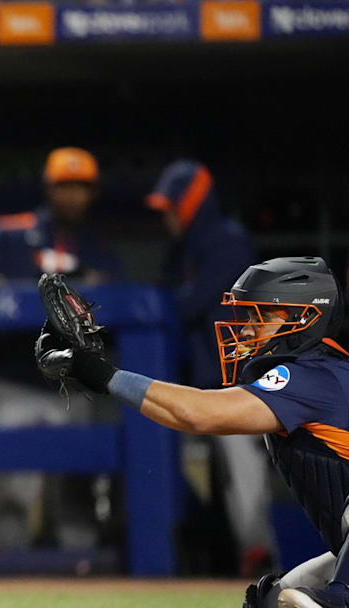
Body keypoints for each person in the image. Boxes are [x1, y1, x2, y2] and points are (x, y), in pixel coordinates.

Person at [34, 256, 349, 608]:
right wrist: (100, 376)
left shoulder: (313, 378)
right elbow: (187, 414)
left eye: (257, 316)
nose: (244, 330)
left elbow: (200, 413)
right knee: (270, 601)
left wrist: (103, 373)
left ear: (303, 318)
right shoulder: (319, 375)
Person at [0, 146, 121, 548]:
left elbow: (121, 307)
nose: (72, 195)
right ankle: (9, 576)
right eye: (64, 186)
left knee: (74, 492)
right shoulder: (11, 231)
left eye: (80, 186)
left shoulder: (99, 243)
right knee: (12, 492)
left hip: (70, 383)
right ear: (49, 189)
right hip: (12, 377)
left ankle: (80, 579)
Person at [147, 159, 273, 575]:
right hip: (204, 385)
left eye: (171, 207)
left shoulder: (226, 242)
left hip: (239, 382)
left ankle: (261, 562)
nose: (165, 217)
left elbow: (189, 304)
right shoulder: (183, 251)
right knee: (215, 481)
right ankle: (226, 559)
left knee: (245, 477)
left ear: (192, 202)